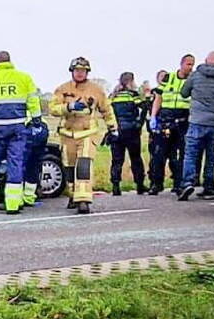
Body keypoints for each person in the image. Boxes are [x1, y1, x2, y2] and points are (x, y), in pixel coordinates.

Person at [0, 51, 42, 214]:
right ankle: (13, 205)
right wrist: (36, 119)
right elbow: (33, 100)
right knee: (15, 164)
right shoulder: (24, 78)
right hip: (18, 127)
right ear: (10, 62)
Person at [49, 57, 118, 214]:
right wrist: (69, 106)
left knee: (83, 165)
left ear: (87, 72)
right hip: (67, 134)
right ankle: (74, 195)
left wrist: (113, 128)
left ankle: (83, 200)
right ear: (72, 71)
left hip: (87, 133)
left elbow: (106, 110)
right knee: (69, 167)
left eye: (83, 71)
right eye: (77, 70)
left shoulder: (96, 90)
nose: (80, 73)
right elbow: (53, 108)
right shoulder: (62, 89)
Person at [179, 51, 214, 200]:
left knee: (190, 155)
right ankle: (209, 188)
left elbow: (184, 93)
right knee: (212, 156)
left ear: (205, 60)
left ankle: (187, 183)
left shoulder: (196, 75)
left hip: (196, 120)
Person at [148, 56, 194, 195]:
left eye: (192, 64)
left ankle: (179, 184)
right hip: (166, 119)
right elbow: (158, 97)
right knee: (159, 154)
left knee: (180, 155)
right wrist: (153, 116)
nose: (190, 67)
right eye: (188, 64)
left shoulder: (193, 80)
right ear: (181, 64)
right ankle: (156, 184)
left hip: (183, 120)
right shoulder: (169, 78)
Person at [108, 72, 148, 195]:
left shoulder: (113, 96)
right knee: (135, 158)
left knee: (117, 160)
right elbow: (144, 107)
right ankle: (140, 185)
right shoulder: (133, 95)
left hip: (116, 131)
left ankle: (116, 186)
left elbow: (107, 111)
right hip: (131, 131)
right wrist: (140, 123)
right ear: (131, 81)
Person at [21, 118, 50, 206]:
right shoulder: (41, 121)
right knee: (32, 170)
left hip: (26, 148)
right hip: (34, 150)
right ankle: (29, 197)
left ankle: (21, 198)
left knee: (20, 170)